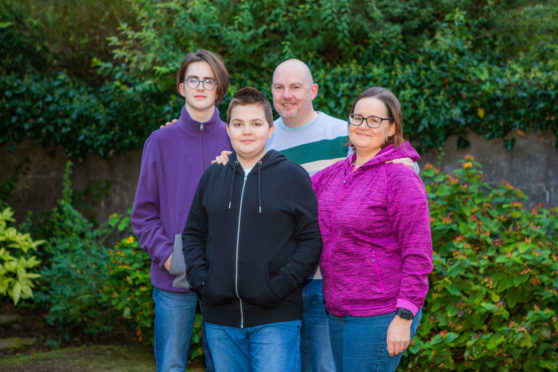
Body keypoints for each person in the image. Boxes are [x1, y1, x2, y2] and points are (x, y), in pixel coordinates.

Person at [183, 87, 323, 372]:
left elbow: (310, 241)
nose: (247, 131)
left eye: (256, 124)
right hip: (220, 319)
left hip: (276, 319)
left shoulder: (293, 177)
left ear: (271, 130)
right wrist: (203, 281)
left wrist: (279, 286)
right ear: (228, 129)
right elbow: (194, 234)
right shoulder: (213, 176)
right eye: (238, 124)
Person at [311, 86, 433, 372]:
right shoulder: (333, 174)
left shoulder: (399, 177)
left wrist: (404, 315)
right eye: (357, 117)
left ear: (392, 128)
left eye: (374, 120)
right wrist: (237, 160)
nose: (363, 126)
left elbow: (419, 252)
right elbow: (284, 190)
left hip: (380, 313)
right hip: (338, 309)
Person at [131, 49, 231, 372]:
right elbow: (143, 214)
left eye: (208, 80)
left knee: (225, 365)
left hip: (225, 273)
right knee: (172, 365)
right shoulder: (160, 141)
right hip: (174, 274)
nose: (200, 86)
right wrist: (168, 256)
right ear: (181, 87)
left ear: (219, 88)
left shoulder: (237, 136)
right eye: (193, 79)